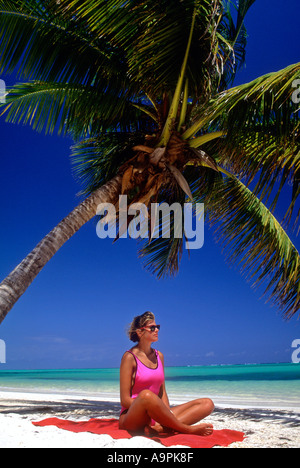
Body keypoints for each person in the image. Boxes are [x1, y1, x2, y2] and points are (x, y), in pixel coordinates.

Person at [119, 311, 214, 436]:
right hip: (133, 416)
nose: (156, 330)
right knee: (146, 395)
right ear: (140, 332)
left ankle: (160, 429)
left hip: (155, 414)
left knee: (207, 403)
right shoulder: (129, 357)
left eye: (157, 327)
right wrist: (151, 407)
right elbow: (125, 400)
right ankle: (187, 429)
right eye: (152, 328)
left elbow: (162, 390)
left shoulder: (159, 356)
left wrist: (165, 413)